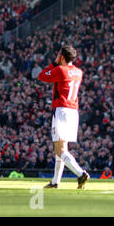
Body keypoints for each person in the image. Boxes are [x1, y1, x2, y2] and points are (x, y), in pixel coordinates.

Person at [38, 45, 90, 189]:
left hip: (61, 110)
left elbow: (42, 75)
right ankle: (55, 182)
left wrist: (54, 62)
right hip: (73, 111)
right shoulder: (79, 72)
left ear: (61, 56)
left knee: (59, 149)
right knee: (62, 148)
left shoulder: (60, 70)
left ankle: (80, 174)